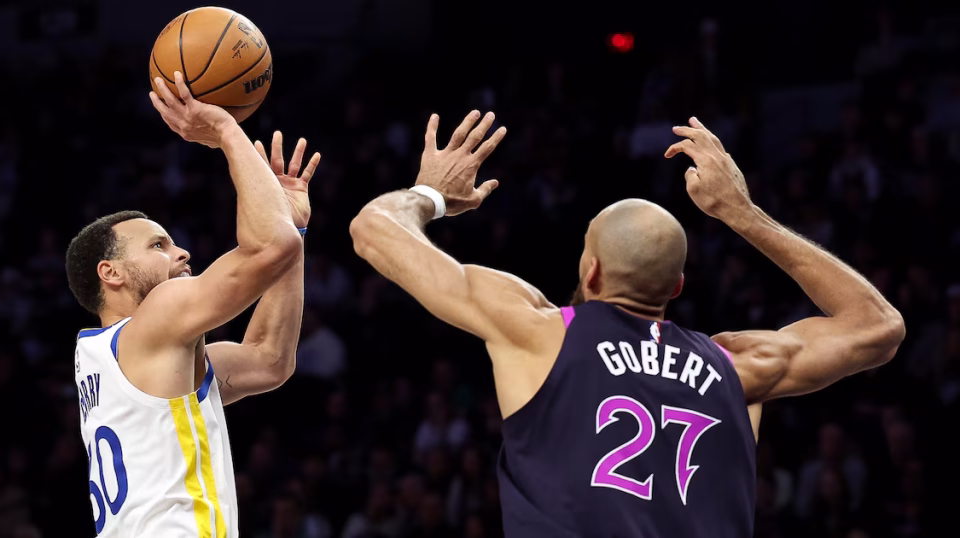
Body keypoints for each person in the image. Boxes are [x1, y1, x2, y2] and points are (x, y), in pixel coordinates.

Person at [349, 112, 905, 537]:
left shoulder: (540, 331)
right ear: (678, 288)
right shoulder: (738, 366)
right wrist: (741, 212)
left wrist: (431, 195)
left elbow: (373, 229)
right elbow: (878, 326)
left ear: (589, 272)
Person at [64, 72, 319, 537]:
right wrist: (224, 129)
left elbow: (269, 361)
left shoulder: (119, 358)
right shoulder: (155, 321)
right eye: (159, 246)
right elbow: (267, 248)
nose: (181, 253)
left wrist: (294, 231)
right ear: (111, 273)